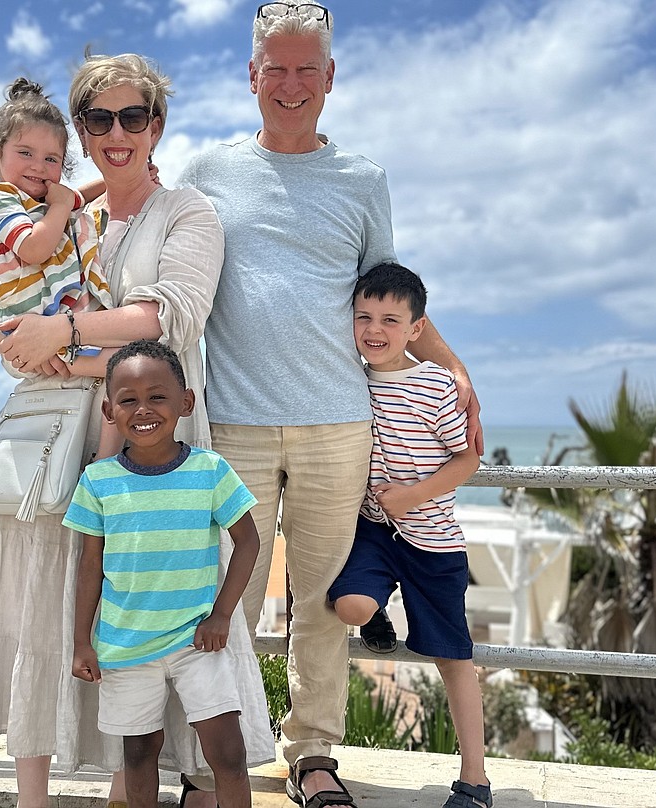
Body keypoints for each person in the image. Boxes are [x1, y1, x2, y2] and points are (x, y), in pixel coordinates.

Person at [0, 53, 273, 808]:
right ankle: (37, 797)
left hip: (146, 446)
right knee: (37, 613)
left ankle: (150, 789)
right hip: (46, 440)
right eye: (100, 118)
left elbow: (170, 320)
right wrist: (26, 338)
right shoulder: (69, 214)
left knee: (154, 610)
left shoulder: (188, 212)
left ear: (157, 124)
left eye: (135, 116)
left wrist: (62, 333)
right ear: (82, 131)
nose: (118, 132)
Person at [177, 4, 483, 807]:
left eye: (305, 68)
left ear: (330, 78)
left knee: (320, 606)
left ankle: (312, 755)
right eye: (274, 67)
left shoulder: (363, 180)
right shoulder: (208, 172)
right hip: (233, 424)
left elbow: (391, 295)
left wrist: (453, 368)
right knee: (227, 601)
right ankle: (216, 764)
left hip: (340, 426)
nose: (290, 83)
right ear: (251, 76)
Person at [65, 339, 260, 808]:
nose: (144, 409)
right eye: (128, 399)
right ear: (110, 411)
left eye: (158, 396)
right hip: (125, 645)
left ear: (185, 402)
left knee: (228, 754)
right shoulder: (98, 482)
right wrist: (80, 642)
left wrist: (221, 615)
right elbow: (90, 565)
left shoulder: (210, 470)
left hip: (198, 641)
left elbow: (249, 542)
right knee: (138, 755)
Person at [328, 264, 489, 808]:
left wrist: (415, 494)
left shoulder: (435, 385)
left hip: (433, 542)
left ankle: (475, 779)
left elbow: (469, 457)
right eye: (364, 317)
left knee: (452, 658)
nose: (374, 329)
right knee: (348, 606)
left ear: (416, 328)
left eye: (391, 320)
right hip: (374, 531)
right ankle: (376, 610)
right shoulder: (349, 374)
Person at [0, 77, 120, 460]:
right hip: (24, 310)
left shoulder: (47, 204)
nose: (39, 167)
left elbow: (74, 199)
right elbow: (34, 247)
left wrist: (117, 180)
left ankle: (105, 448)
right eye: (25, 153)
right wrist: (62, 205)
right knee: (114, 362)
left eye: (51, 159)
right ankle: (105, 451)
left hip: (48, 311)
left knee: (102, 365)